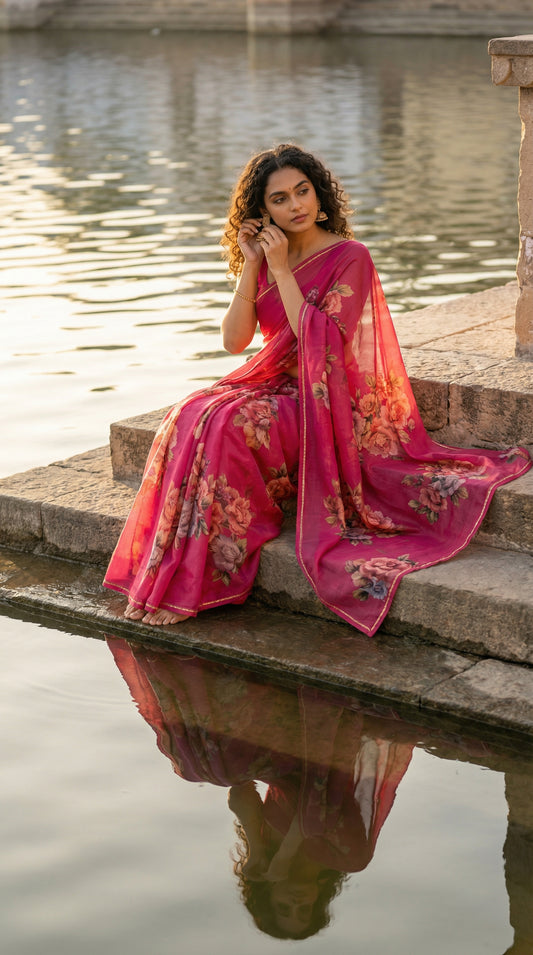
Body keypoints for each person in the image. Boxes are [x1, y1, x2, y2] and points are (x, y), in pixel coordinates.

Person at [103, 144, 531, 635]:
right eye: (280, 199)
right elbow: (233, 341)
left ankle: (201, 578)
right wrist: (251, 264)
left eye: (302, 191)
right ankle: (170, 571)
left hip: (323, 399)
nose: (296, 205)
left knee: (230, 422)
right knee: (190, 412)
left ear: (319, 195)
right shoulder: (267, 257)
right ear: (263, 213)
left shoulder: (350, 256)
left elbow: (322, 345)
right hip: (271, 385)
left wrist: (282, 270)